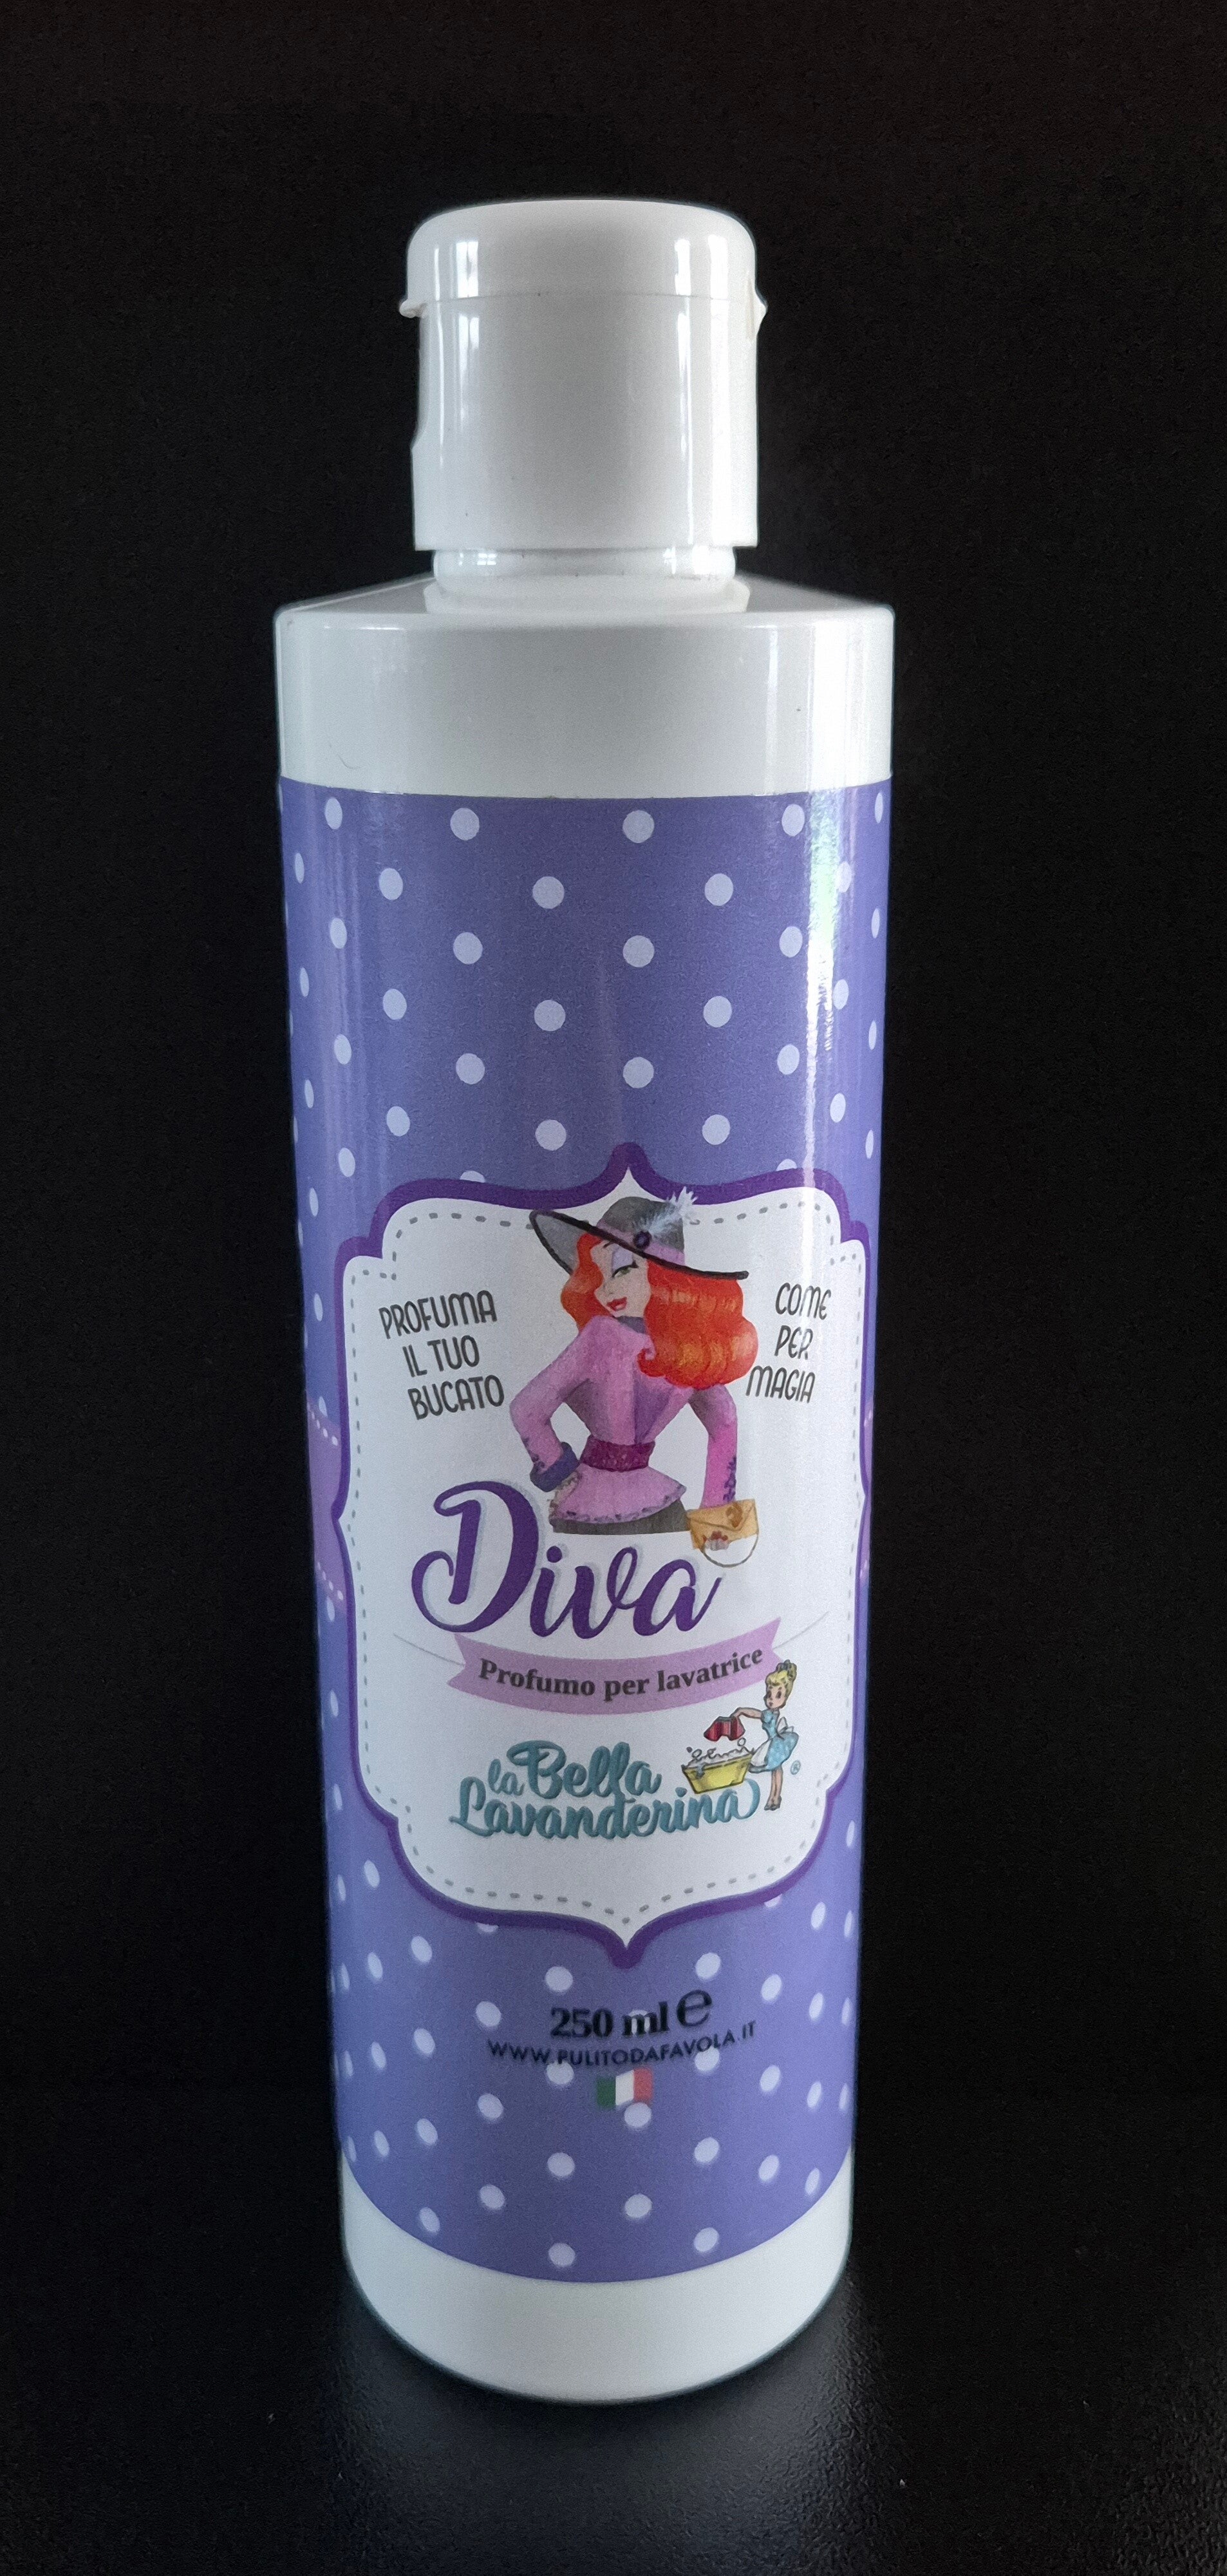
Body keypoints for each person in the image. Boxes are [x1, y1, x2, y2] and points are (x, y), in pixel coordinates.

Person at [510, 1191, 757, 1537]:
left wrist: (559, 1473)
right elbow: (725, 1419)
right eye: (598, 1273)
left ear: (665, 1276)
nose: (606, 1290)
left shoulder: (668, 1345)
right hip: (643, 1507)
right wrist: (718, 1519)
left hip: (605, 1504)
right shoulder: (676, 1346)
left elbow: (526, 1409)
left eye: (622, 1269)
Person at [730, 1661, 798, 1810]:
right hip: (775, 1743)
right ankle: (774, 1797)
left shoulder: (770, 1715)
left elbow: (756, 1714)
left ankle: (775, 1797)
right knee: (776, 1769)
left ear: (786, 1697)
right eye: (769, 1694)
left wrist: (742, 1711)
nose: (772, 1699)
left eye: (778, 1695)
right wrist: (741, 1711)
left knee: (776, 1769)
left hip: (776, 1744)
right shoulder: (770, 1713)